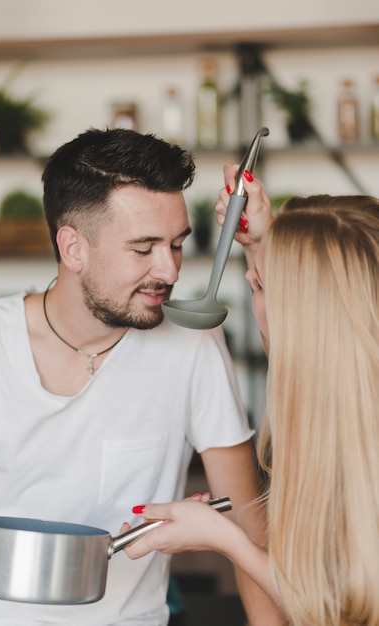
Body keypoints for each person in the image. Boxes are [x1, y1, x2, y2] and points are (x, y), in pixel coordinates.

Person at [0, 130, 283, 626]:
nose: (170, 270)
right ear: (73, 248)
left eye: (176, 244)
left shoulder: (192, 347)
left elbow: (247, 521)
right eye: (144, 248)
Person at [125, 168, 379, 626]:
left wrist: (226, 539)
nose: (248, 284)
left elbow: (342, 605)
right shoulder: (346, 398)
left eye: (261, 286)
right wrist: (262, 245)